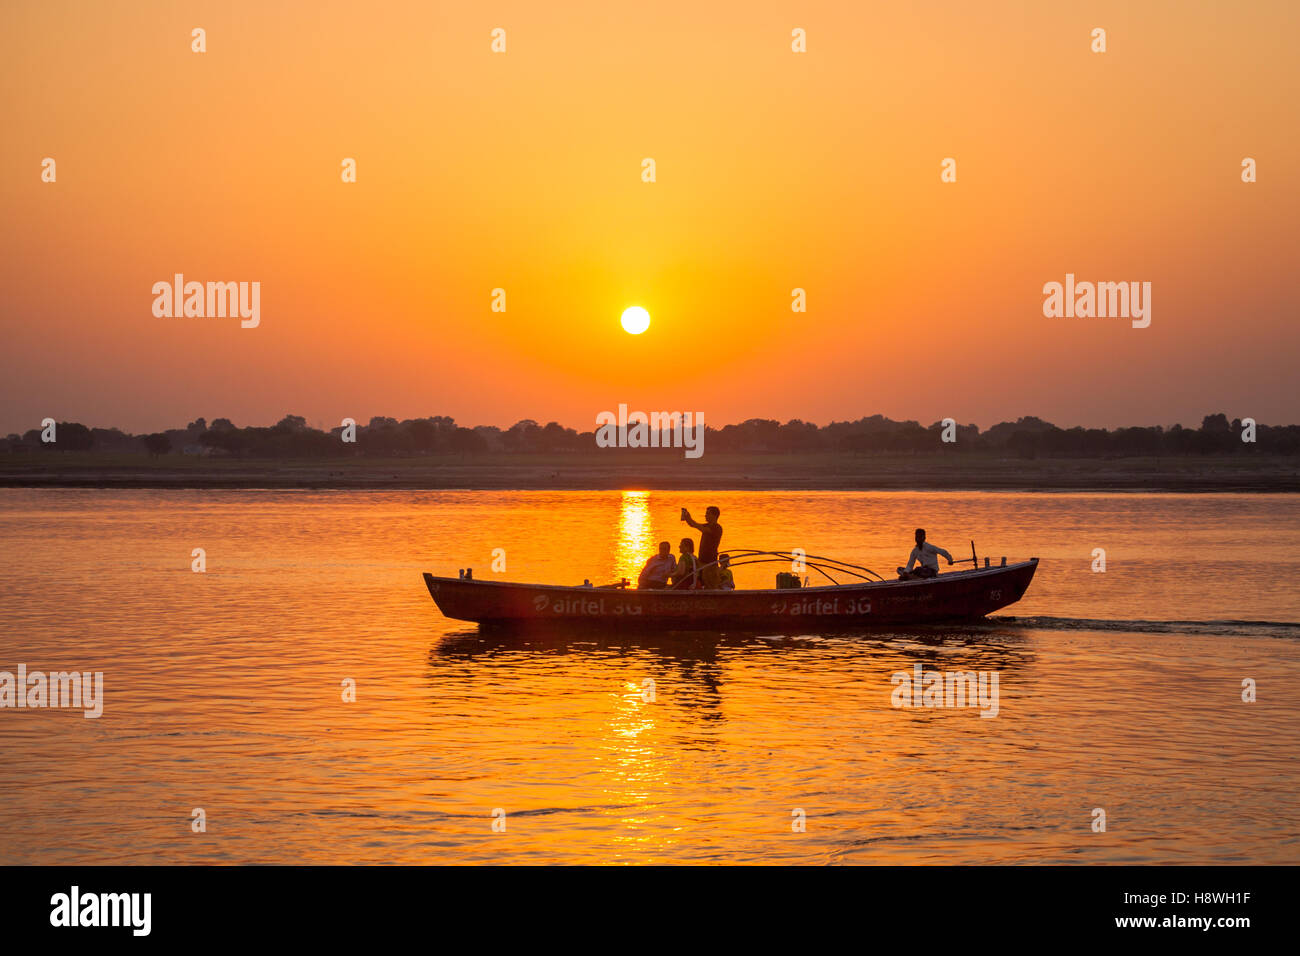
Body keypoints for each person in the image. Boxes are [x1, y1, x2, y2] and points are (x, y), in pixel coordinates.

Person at [682, 506, 724, 588]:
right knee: (701, 582)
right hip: (701, 560)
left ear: (714, 516)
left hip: (710, 561)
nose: (705, 515)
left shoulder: (717, 527)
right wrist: (687, 517)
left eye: (708, 513)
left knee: (711, 584)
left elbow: (702, 529)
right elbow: (693, 525)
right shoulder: (707, 525)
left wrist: (691, 520)